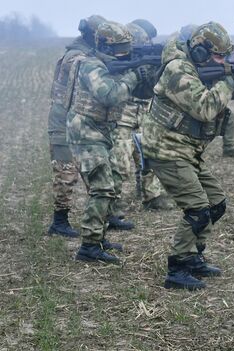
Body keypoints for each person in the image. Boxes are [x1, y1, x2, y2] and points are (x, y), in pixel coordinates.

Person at [141, 21, 234, 290]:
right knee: (197, 209)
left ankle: (193, 255)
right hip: (166, 149)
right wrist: (229, 79)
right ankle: (177, 267)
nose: (223, 61)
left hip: (186, 150)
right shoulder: (178, 70)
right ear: (199, 51)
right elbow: (206, 108)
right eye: (219, 56)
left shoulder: (201, 68)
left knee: (216, 204)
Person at [66, 21, 155, 263]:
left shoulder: (109, 65)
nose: (126, 51)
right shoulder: (90, 65)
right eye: (121, 47)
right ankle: (89, 247)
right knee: (103, 188)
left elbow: (139, 92)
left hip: (100, 132)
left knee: (109, 185)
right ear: (105, 45)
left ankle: (99, 237)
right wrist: (134, 75)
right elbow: (110, 95)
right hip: (85, 134)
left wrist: (146, 74)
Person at [46, 15, 106, 238]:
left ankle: (104, 215)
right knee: (65, 172)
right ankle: (59, 222)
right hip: (62, 121)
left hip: (77, 120)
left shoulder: (86, 53)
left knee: (93, 168)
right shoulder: (76, 57)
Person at [110, 19, 174, 212]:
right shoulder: (116, 61)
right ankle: (113, 201)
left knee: (150, 155)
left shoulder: (148, 60)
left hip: (145, 111)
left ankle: (152, 196)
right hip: (122, 114)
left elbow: (151, 89)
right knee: (120, 160)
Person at [178, 24, 234, 158]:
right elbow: (204, 109)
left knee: (228, 116)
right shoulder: (180, 67)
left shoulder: (195, 61)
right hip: (171, 148)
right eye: (218, 56)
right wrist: (229, 82)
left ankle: (229, 148)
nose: (220, 61)